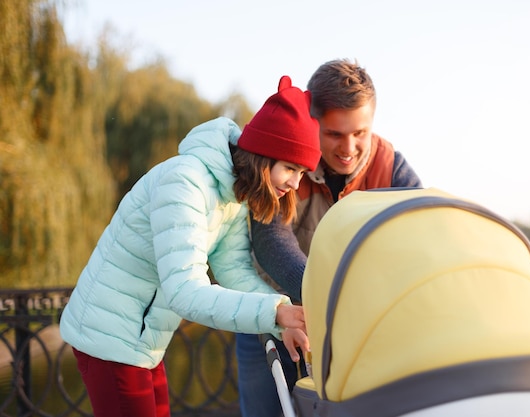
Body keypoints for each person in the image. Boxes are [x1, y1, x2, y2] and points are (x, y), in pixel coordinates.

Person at [59, 75, 321, 417]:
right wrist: (275, 313)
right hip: (110, 336)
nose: (295, 183)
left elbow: (233, 270)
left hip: (142, 339)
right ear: (262, 155)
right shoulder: (185, 182)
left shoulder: (230, 194)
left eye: (302, 172)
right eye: (290, 168)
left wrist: (282, 316)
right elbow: (185, 290)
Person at [235, 59, 423, 417]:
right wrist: (330, 294)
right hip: (272, 314)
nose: (349, 148)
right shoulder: (283, 159)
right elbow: (271, 240)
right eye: (334, 134)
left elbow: (423, 235)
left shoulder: (390, 167)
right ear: (312, 123)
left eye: (360, 133)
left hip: (356, 326)